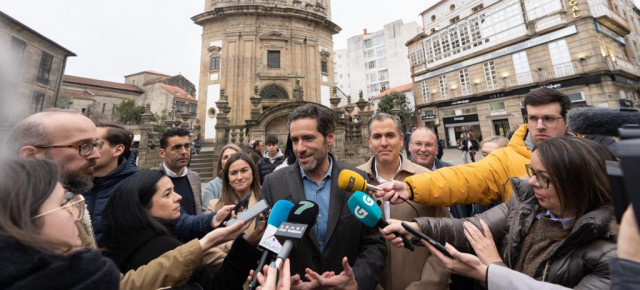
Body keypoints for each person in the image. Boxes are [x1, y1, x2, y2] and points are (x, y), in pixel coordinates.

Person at [383, 137, 618, 289]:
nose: (532, 181)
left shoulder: (612, 254)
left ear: (578, 184)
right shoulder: (526, 205)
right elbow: (471, 227)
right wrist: (417, 229)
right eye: (531, 171)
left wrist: (492, 270)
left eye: (543, 177)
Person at [0, 158, 245, 289]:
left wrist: (210, 228)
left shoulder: (100, 255)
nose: (77, 214)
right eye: (65, 205)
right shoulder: (156, 245)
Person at [377, 88, 574, 208]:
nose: (539, 125)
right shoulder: (506, 158)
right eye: (533, 118)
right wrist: (411, 187)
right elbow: (463, 178)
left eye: (548, 118)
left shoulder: (587, 155)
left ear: (566, 120)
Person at [261, 103, 386, 290]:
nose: (300, 148)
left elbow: (374, 243)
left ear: (330, 137)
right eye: (295, 140)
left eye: (308, 138)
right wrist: (280, 280)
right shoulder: (273, 183)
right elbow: (266, 249)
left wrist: (357, 280)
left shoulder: (356, 180)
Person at [100, 170, 262, 289]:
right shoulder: (162, 246)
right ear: (142, 207)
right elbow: (217, 286)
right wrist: (243, 244)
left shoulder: (116, 241)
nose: (178, 197)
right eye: (167, 194)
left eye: (174, 190)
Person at [358, 114, 449, 290]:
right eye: (377, 136)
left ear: (401, 140)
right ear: (369, 141)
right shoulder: (355, 179)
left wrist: (424, 286)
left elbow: (445, 237)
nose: (384, 142)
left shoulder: (428, 179)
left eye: (390, 135)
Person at [8, 110, 103, 248]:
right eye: (83, 146)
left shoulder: (66, 203)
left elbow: (93, 268)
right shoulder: (14, 221)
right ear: (31, 156)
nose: (96, 155)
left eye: (95, 145)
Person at [85, 122, 138, 240]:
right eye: (84, 144)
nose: (87, 150)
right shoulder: (67, 183)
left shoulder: (138, 187)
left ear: (118, 150)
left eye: (95, 144)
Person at [208, 152, 264, 253]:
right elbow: (209, 246)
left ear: (253, 173)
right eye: (233, 173)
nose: (239, 177)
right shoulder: (215, 206)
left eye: (244, 171)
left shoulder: (265, 202)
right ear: (227, 178)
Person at [157, 127, 202, 216]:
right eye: (177, 147)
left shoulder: (195, 177)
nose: (184, 151)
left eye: (187, 146)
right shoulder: (153, 180)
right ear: (162, 153)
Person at [202, 143, 242, 213]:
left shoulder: (249, 180)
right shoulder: (212, 187)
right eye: (225, 157)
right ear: (220, 164)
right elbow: (206, 215)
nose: (229, 159)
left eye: (233, 156)